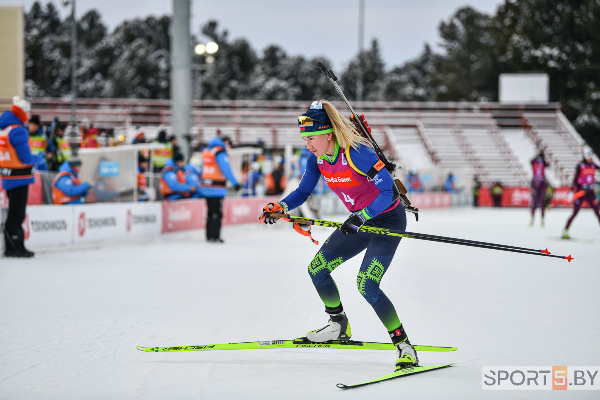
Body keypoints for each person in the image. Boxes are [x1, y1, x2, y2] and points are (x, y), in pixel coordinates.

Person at [259, 100, 417, 371]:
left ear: (328, 133)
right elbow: (302, 192)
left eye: (311, 138)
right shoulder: (317, 159)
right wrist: (281, 206)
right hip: (359, 221)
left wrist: (362, 218)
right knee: (317, 269)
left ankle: (404, 346)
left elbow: (388, 192)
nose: (308, 145)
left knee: (367, 283)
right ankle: (338, 325)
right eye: (304, 139)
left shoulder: (357, 154)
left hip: (387, 221)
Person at [0, 96, 36, 257]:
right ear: (21, 112)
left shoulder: (5, 129)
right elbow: (26, 158)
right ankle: (14, 247)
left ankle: (13, 246)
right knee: (17, 213)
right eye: (27, 112)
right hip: (19, 177)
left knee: (14, 212)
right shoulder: (18, 130)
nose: (29, 115)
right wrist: (39, 158)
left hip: (8, 176)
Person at [200, 136, 241, 243]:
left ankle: (209, 235)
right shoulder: (220, 152)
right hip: (217, 188)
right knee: (217, 213)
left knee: (210, 212)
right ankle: (215, 236)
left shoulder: (207, 151)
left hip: (206, 186)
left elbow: (202, 169)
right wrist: (235, 183)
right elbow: (226, 169)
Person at [562, 148, 600, 239]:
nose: (591, 159)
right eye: (590, 157)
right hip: (581, 192)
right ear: (586, 157)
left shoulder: (593, 165)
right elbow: (574, 180)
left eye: (592, 157)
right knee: (575, 212)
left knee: (597, 212)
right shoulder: (580, 165)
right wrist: (571, 191)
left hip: (590, 192)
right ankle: (565, 231)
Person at [530, 150, 549, 226]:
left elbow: (547, 165)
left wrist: (543, 157)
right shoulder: (534, 162)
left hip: (542, 183)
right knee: (534, 202)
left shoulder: (543, 162)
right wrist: (537, 155)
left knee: (542, 202)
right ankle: (532, 219)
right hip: (535, 183)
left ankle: (542, 220)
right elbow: (531, 161)